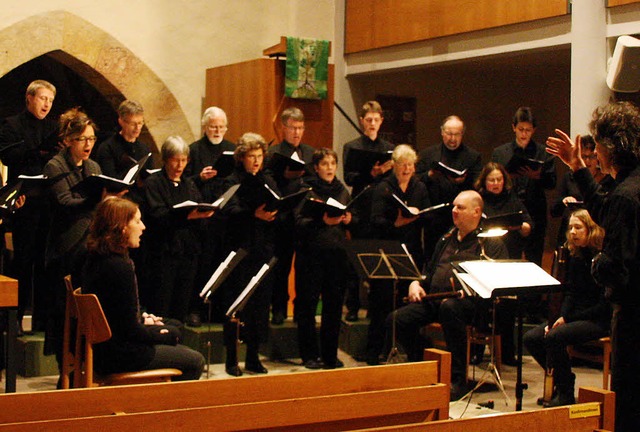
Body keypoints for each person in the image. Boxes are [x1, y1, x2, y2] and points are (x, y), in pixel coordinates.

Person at [546, 100, 640, 431]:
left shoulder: (626, 195)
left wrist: (598, 263)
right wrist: (576, 167)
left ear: (609, 147)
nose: (594, 153)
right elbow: (603, 210)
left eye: (596, 145)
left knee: (628, 400)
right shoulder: (629, 186)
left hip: (631, 314)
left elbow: (616, 266)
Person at [386, 190, 508, 400]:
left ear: (476, 211)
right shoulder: (446, 238)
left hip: (470, 306)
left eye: (460, 207)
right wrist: (416, 283)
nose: (454, 211)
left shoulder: (489, 242)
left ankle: (457, 379)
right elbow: (429, 271)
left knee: (450, 308)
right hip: (434, 300)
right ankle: (426, 363)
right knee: (395, 320)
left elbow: (496, 282)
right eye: (453, 206)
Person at [83, 197, 205, 380]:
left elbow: (120, 316)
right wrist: (160, 335)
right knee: (195, 360)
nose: (143, 227)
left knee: (176, 327)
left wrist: (145, 319)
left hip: (106, 347)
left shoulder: (96, 257)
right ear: (122, 227)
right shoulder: (118, 267)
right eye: (138, 221)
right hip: (119, 354)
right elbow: (129, 330)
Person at [43, 108, 116, 373]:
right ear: (69, 139)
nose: (88, 145)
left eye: (92, 139)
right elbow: (64, 203)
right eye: (83, 139)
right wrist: (94, 199)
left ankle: (88, 366)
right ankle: (66, 370)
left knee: (88, 312)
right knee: (65, 314)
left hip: (90, 247)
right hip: (66, 248)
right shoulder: (55, 165)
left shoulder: (93, 167)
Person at [523, 209, 610, 407]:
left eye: (578, 228)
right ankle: (562, 380)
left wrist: (567, 320)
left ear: (592, 230)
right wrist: (559, 318)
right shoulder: (575, 255)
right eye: (570, 228)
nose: (572, 232)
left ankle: (565, 391)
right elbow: (570, 292)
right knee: (532, 338)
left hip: (598, 319)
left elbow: (603, 305)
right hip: (575, 316)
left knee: (555, 337)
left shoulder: (603, 259)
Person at [0, 80, 59, 333]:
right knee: (22, 263)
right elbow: (8, 156)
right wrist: (38, 151)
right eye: (42, 98)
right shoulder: (12, 125)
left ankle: (43, 323)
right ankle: (13, 322)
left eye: (50, 100)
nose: (46, 104)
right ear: (29, 98)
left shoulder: (54, 128)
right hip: (23, 205)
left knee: (45, 264)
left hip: (48, 203)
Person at [219, 132, 279, 376]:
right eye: (251, 156)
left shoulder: (268, 180)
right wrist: (252, 214)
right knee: (236, 305)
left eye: (260, 156)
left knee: (259, 306)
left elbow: (278, 206)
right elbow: (228, 211)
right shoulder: (231, 181)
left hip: (262, 250)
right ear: (241, 157)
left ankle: (254, 357)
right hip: (240, 251)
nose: (256, 161)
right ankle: (232, 359)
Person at [366, 144, 430, 365]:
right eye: (403, 165)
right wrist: (397, 222)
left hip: (412, 250)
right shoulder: (384, 187)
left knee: (408, 303)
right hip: (388, 249)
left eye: (410, 165)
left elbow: (428, 215)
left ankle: (410, 352)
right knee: (381, 302)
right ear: (394, 166)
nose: (406, 170)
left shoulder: (419, 188)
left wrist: (419, 215)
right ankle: (375, 352)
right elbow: (375, 220)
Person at [294, 148, 355, 369]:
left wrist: (349, 220)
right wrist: (322, 222)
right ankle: (309, 355)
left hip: (337, 256)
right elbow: (298, 222)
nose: (329, 168)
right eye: (325, 164)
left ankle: (330, 354)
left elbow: (352, 219)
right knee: (307, 306)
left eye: (332, 164)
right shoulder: (306, 190)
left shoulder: (342, 191)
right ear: (316, 167)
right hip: (310, 256)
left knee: (334, 307)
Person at [142, 136, 213, 323]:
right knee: (161, 306)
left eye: (183, 160)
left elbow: (197, 212)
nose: (179, 165)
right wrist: (187, 216)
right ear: (165, 159)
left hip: (187, 254)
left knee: (181, 306)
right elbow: (157, 215)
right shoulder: (154, 183)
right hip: (163, 255)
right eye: (175, 160)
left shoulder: (188, 184)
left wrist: (204, 214)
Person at [474, 162, 533, 365]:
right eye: (492, 179)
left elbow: (527, 226)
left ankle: (507, 354)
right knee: (482, 305)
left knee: (508, 307)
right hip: (485, 258)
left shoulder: (513, 200)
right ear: (484, 181)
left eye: (499, 179)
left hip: (510, 257)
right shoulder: (479, 200)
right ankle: (477, 351)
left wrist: (521, 225)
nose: (496, 183)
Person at [342, 100, 395, 321]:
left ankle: (376, 308)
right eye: (368, 120)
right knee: (356, 260)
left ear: (381, 121)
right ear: (362, 121)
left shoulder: (388, 148)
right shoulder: (352, 146)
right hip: (361, 208)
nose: (372, 123)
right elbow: (349, 177)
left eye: (376, 119)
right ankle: (352, 307)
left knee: (377, 260)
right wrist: (370, 173)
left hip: (381, 208)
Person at [184, 106, 236, 324]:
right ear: (205, 127)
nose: (217, 130)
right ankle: (196, 310)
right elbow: (184, 181)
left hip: (226, 216)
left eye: (221, 127)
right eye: (213, 126)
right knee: (203, 264)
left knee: (222, 263)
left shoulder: (232, 149)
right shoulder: (194, 150)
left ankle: (219, 310)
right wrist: (200, 177)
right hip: (203, 217)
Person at [265, 107, 315, 325]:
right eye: (293, 128)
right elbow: (268, 180)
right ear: (283, 128)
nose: (297, 132)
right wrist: (284, 176)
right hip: (283, 218)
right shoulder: (275, 152)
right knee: (281, 266)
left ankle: (302, 312)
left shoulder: (310, 152)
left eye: (301, 128)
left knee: (305, 268)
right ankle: (278, 309)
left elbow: (316, 179)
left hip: (304, 218)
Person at [492, 107, 556, 266]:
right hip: (509, 211)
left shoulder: (543, 152)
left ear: (534, 130)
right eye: (521, 129)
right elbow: (491, 180)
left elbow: (552, 183)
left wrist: (537, 176)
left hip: (535, 211)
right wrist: (507, 177)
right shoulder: (500, 152)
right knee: (508, 260)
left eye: (528, 130)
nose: (524, 134)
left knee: (534, 261)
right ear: (514, 127)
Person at [416, 115, 482, 263]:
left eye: (457, 134)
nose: (452, 138)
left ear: (462, 134)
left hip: (462, 217)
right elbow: (416, 181)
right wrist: (429, 175)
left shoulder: (473, 156)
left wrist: (464, 182)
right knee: (432, 257)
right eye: (449, 134)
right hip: (434, 217)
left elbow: (479, 186)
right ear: (442, 132)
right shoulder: (428, 154)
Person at [550, 135, 614, 247]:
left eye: (592, 157)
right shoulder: (570, 177)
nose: (588, 161)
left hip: (596, 236)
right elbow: (554, 211)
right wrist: (564, 200)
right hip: (572, 233)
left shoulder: (609, 179)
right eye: (584, 157)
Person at [94, 100, 155, 206]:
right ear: (121, 121)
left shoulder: (145, 149)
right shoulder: (107, 148)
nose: (137, 128)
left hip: (141, 204)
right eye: (133, 123)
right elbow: (109, 181)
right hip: (118, 204)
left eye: (140, 123)